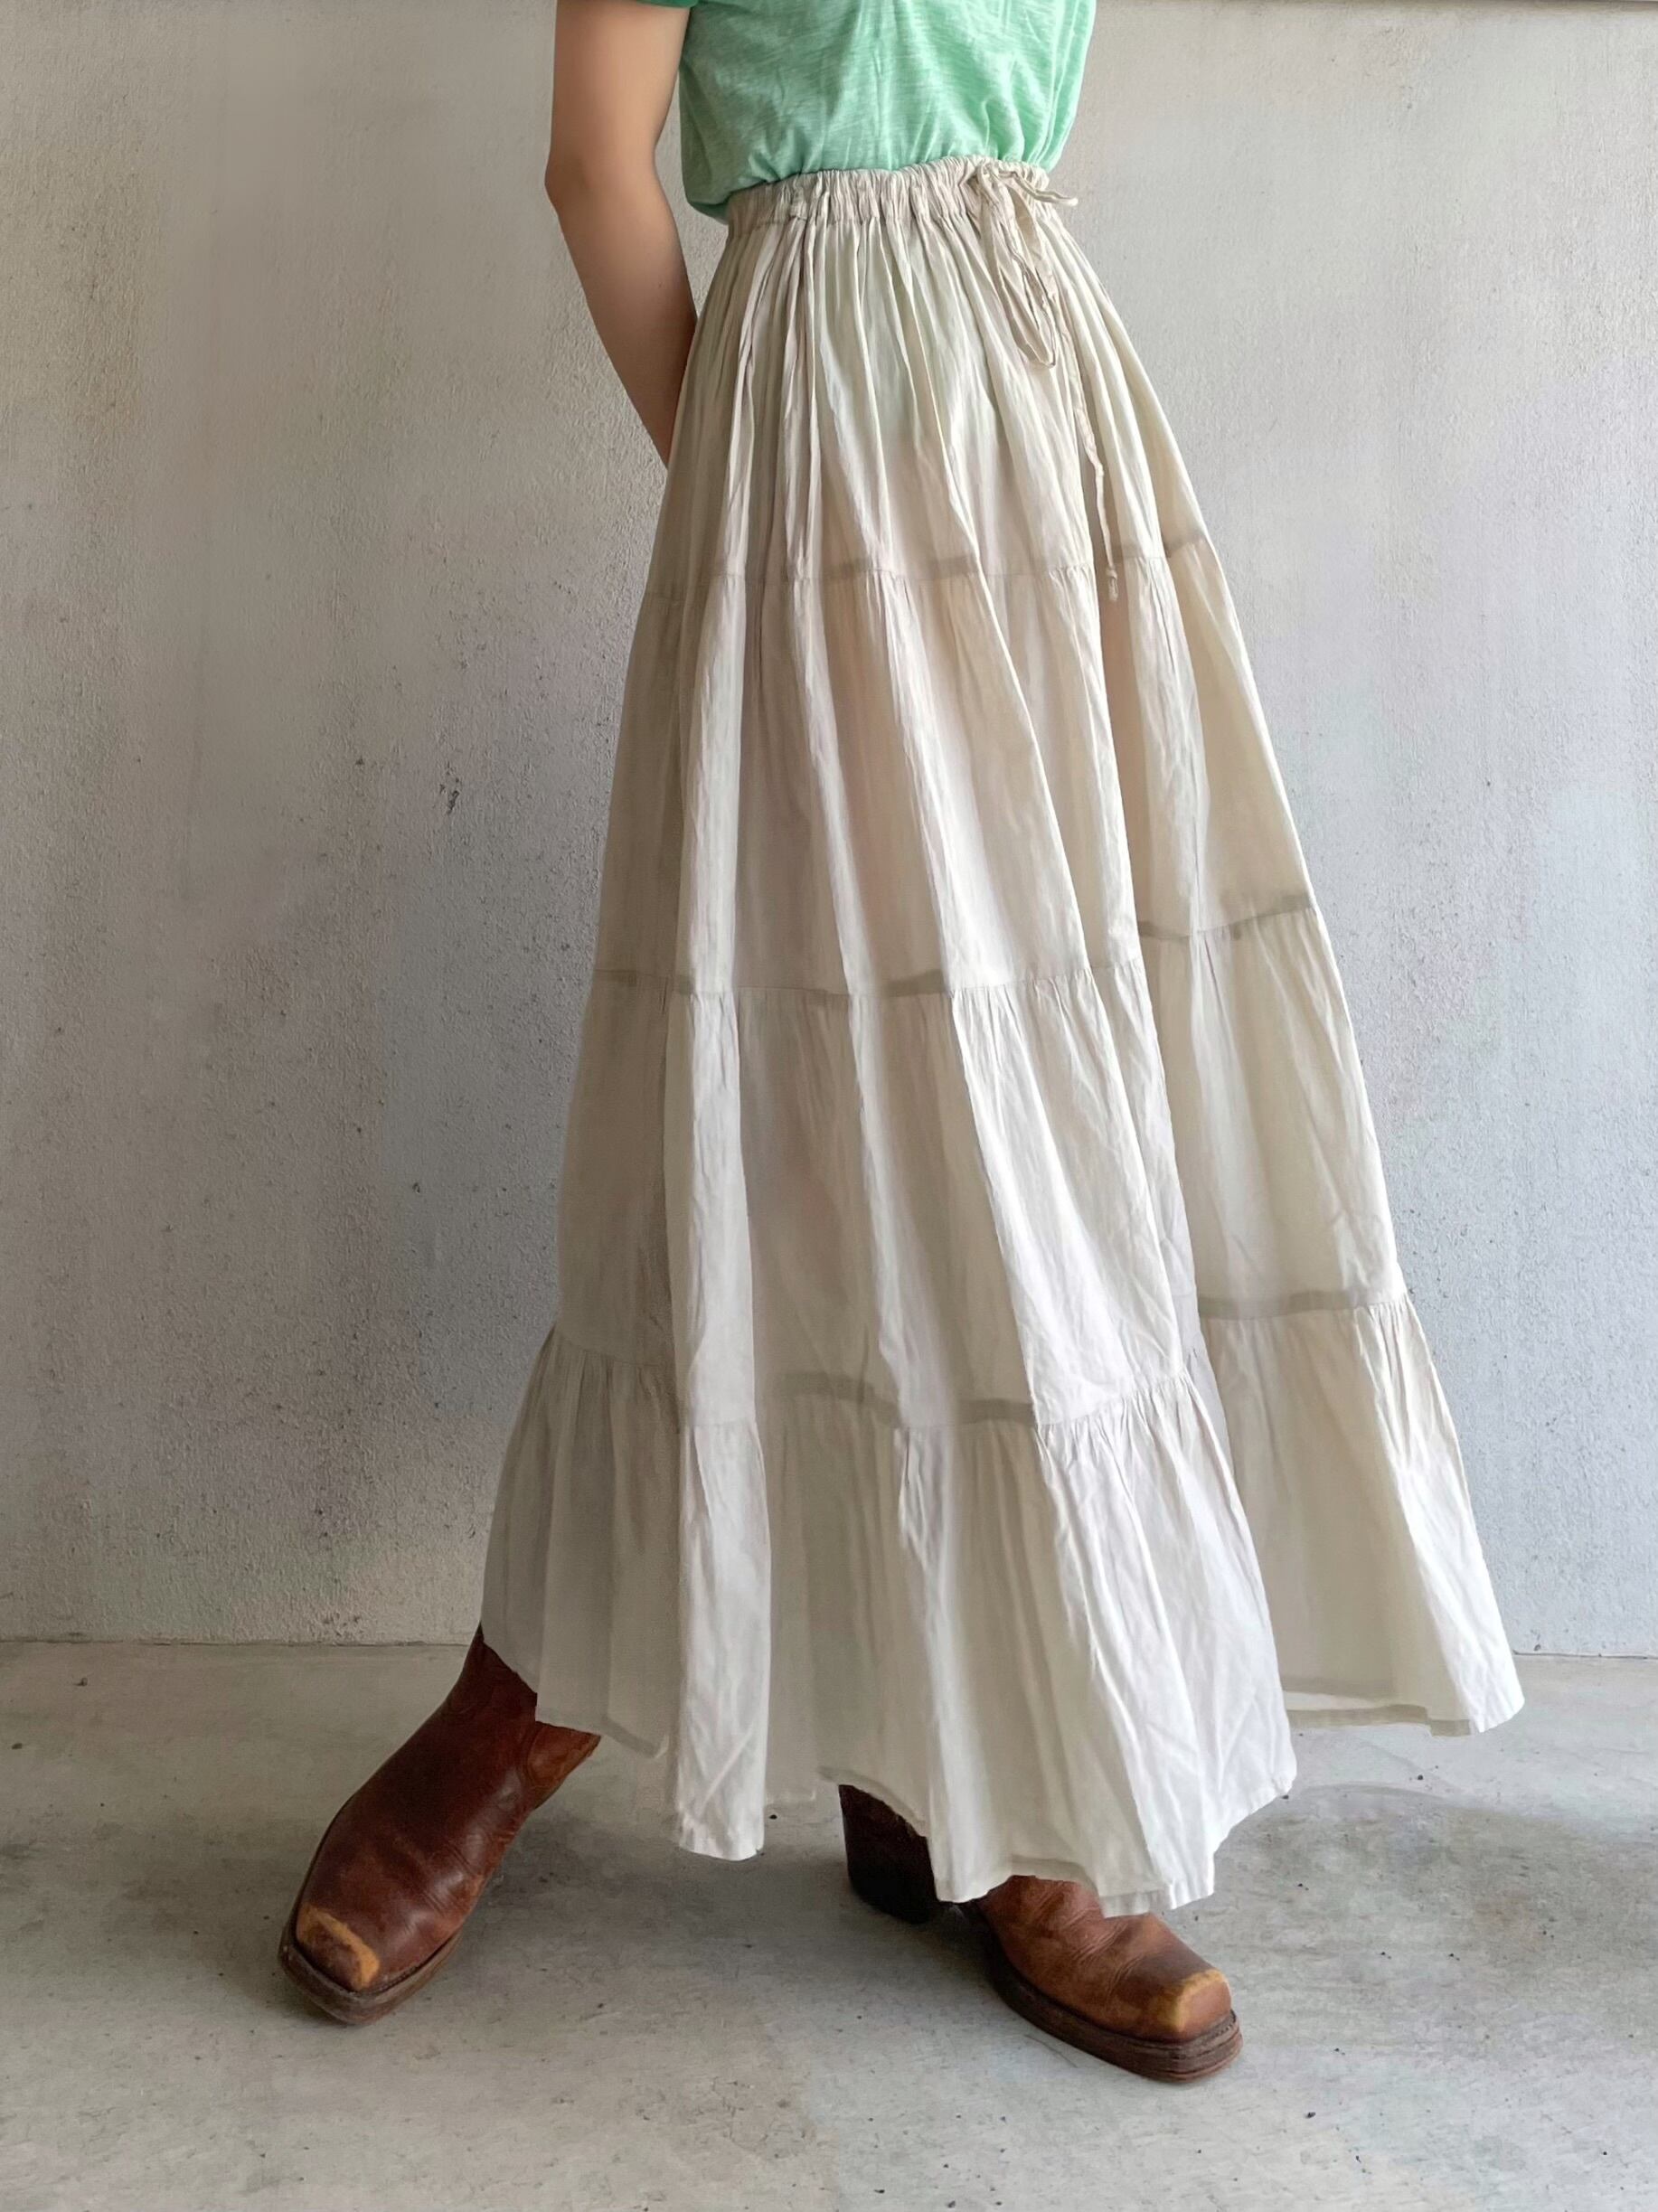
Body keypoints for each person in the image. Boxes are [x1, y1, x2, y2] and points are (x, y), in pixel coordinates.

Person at [278, 0, 1522, 2082]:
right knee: (789, 1079)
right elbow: (594, 163)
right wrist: (751, 475)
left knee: (1030, 1086)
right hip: (815, 429)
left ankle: (975, 1764)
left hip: (1041, 411)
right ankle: (537, 1691)